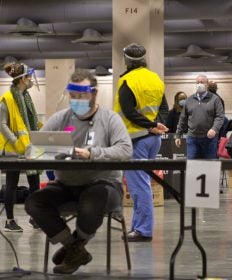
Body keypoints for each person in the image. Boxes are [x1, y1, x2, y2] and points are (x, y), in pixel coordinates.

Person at [25, 69, 133, 274]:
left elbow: (125, 150)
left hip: (104, 185)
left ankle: (72, 248)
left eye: (81, 96)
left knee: (93, 199)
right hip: (66, 185)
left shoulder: (110, 119)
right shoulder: (61, 118)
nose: (76, 100)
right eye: (72, 96)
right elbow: (34, 147)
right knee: (34, 202)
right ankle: (74, 249)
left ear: (93, 94)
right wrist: (50, 152)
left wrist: (91, 153)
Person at [114, 43, 169, 242]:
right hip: (152, 140)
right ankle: (137, 227)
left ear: (127, 60)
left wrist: (150, 125)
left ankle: (143, 230)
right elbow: (164, 107)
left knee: (139, 187)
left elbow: (129, 112)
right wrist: (157, 125)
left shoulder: (127, 81)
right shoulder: (156, 79)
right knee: (141, 184)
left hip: (136, 140)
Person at [0, 62, 41, 232]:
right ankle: (9, 221)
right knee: (11, 184)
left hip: (29, 148)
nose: (31, 80)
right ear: (22, 79)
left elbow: (28, 122)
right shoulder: (7, 99)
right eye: (29, 77)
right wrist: (16, 142)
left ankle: (35, 217)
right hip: (13, 149)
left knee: (35, 182)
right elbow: (2, 124)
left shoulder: (26, 97)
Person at [175, 74, 224, 159]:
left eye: (202, 82)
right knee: (192, 165)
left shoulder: (215, 99)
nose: (199, 84)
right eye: (197, 82)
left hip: (209, 139)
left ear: (207, 84)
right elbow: (183, 119)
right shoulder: (189, 100)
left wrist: (214, 129)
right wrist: (178, 135)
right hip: (192, 138)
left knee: (210, 165)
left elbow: (220, 116)